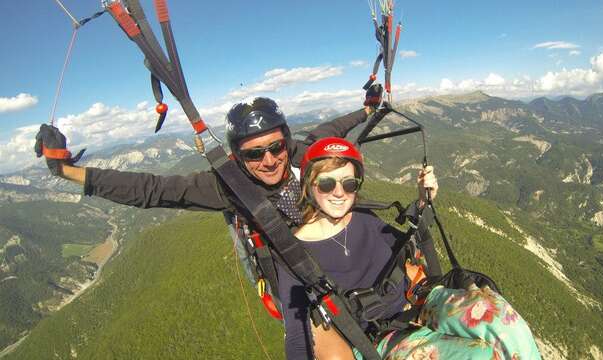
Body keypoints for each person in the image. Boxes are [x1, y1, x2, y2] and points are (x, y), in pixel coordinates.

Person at [34, 92, 385, 286]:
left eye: (275, 147)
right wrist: (67, 172)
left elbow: (334, 128)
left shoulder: (302, 155)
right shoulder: (228, 185)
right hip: (294, 270)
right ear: (236, 155)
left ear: (286, 142)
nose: (269, 160)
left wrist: (367, 109)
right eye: (253, 153)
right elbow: (153, 189)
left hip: (328, 240)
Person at [278, 137, 541, 359]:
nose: (338, 192)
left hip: (420, 303)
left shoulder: (364, 217)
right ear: (309, 186)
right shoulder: (296, 254)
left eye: (348, 184)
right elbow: (297, 330)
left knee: (509, 326)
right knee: (483, 355)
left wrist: (422, 203)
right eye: (326, 183)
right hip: (379, 339)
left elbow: (406, 243)